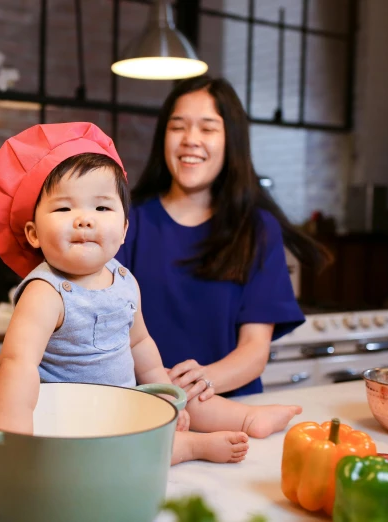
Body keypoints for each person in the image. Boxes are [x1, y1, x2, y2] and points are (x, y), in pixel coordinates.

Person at [0, 122, 302, 465]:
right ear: (33, 233)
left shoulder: (124, 279)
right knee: (123, 450)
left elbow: (140, 344)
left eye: (101, 208)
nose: (85, 219)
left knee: (186, 396)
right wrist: (15, 437)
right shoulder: (46, 292)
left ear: (124, 229)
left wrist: (170, 397)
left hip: (125, 401)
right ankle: (189, 447)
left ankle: (248, 418)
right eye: (64, 208)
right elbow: (18, 365)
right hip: (70, 414)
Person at [116, 76, 330, 400]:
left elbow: (254, 350)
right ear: (163, 137)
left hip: (230, 413)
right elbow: (106, 329)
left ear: (231, 141)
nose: (190, 139)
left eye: (207, 128)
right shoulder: (127, 223)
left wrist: (201, 381)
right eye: (178, 127)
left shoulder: (257, 229)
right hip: (144, 408)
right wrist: (159, 386)